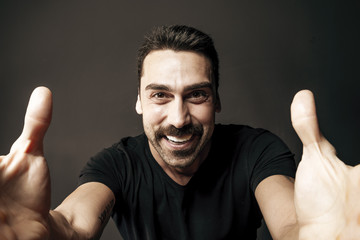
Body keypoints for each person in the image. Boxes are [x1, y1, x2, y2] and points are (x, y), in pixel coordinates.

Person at [0, 25, 359, 240]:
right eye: (160, 95)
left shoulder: (256, 151)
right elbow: (73, 225)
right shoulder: (118, 164)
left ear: (216, 99)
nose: (179, 118)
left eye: (196, 94)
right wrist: (44, 230)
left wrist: (316, 233)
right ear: (139, 102)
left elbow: (291, 224)